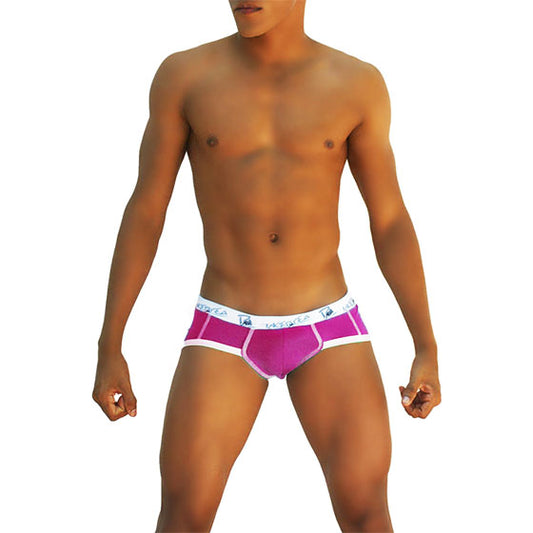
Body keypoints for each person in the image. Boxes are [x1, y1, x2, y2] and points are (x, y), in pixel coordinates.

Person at [92, 1, 441, 531]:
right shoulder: (185, 77)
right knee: (182, 516)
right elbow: (146, 211)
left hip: (328, 323)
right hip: (225, 324)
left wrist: (426, 346)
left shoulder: (357, 83)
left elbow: (389, 219)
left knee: (367, 515)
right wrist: (109, 344)